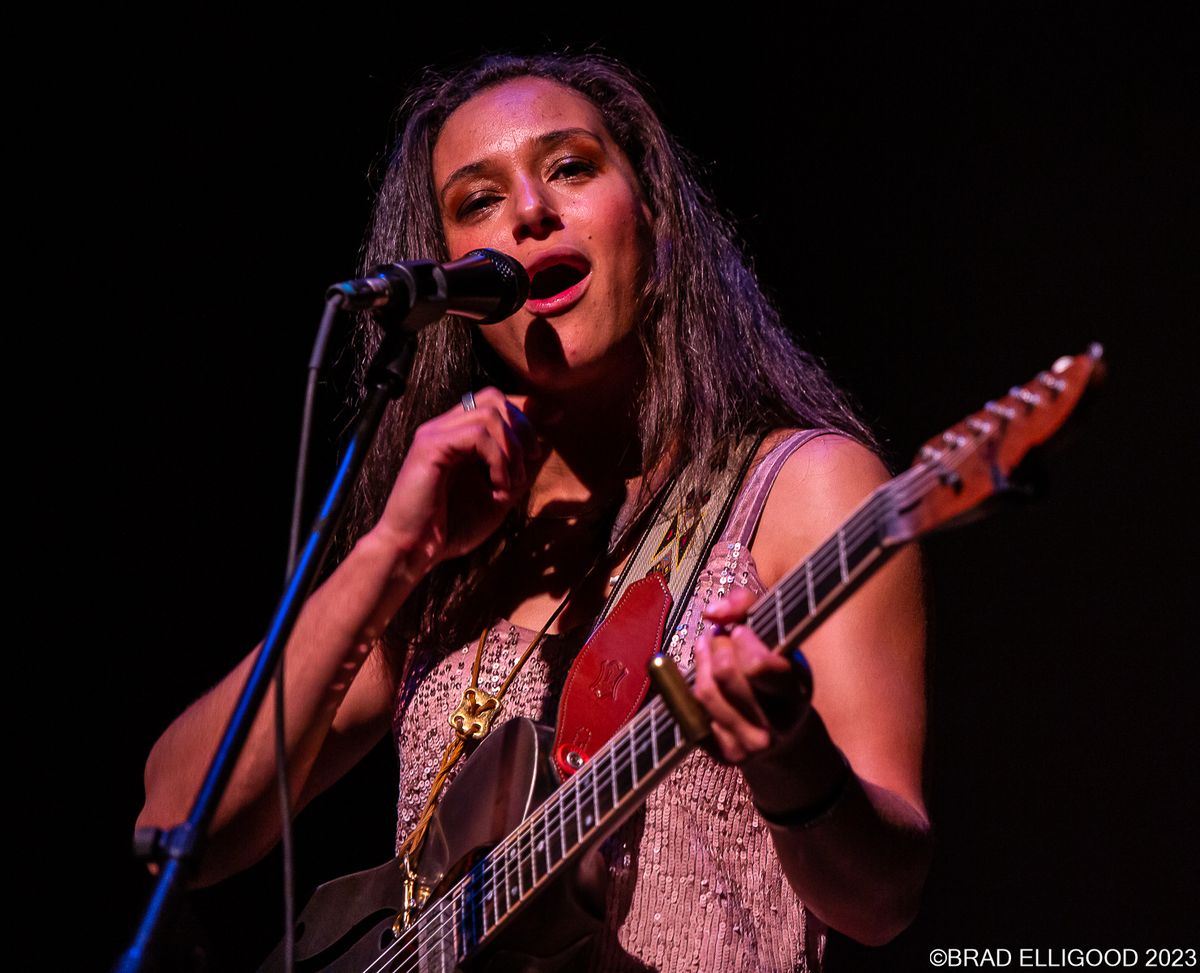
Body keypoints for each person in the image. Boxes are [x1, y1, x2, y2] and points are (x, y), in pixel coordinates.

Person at [136, 52, 931, 971]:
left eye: (570, 168)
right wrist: (393, 551)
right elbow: (174, 825)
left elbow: (884, 898)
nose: (528, 213)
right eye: (477, 201)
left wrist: (789, 752)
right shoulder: (452, 547)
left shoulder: (804, 487)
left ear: (657, 219)